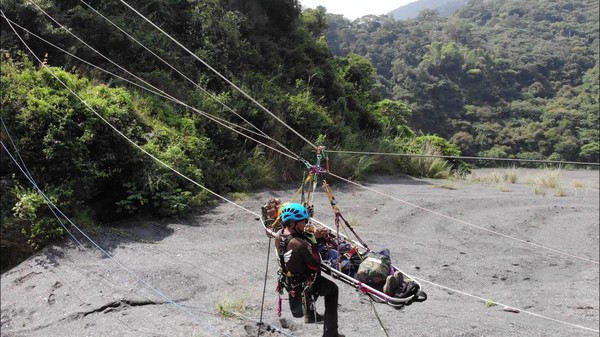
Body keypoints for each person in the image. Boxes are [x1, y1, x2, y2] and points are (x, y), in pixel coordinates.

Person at [274, 203, 345, 337]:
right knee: (333, 289)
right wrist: (314, 243)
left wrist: (311, 237)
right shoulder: (300, 244)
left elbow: (294, 245)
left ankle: (311, 314)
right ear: (293, 223)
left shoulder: (279, 235)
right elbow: (315, 265)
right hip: (304, 284)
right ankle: (331, 333)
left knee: (312, 276)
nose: (305, 225)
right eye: (303, 222)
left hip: (290, 281)